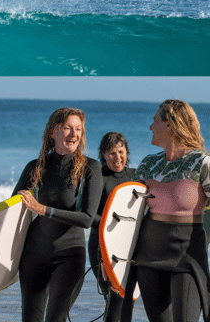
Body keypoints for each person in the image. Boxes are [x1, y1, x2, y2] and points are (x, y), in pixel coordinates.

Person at [122, 100, 210, 322]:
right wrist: (111, 258)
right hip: (149, 255)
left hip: (187, 255)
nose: (151, 127)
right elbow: (128, 214)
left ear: (169, 123)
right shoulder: (148, 164)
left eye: (155, 121)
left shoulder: (201, 162)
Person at [13, 108, 103, 322]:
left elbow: (87, 218)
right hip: (34, 254)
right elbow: (13, 210)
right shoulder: (35, 167)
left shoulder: (90, 168)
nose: (74, 134)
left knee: (56, 319)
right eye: (67, 128)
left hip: (69, 254)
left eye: (78, 129)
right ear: (53, 132)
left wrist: (42, 209)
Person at [89, 132, 135, 322]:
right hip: (103, 247)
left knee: (128, 298)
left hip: (130, 247)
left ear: (127, 151)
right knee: (114, 298)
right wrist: (116, 226)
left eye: (121, 152)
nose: (117, 157)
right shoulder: (98, 177)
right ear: (103, 154)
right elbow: (89, 215)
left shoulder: (135, 176)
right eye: (112, 153)